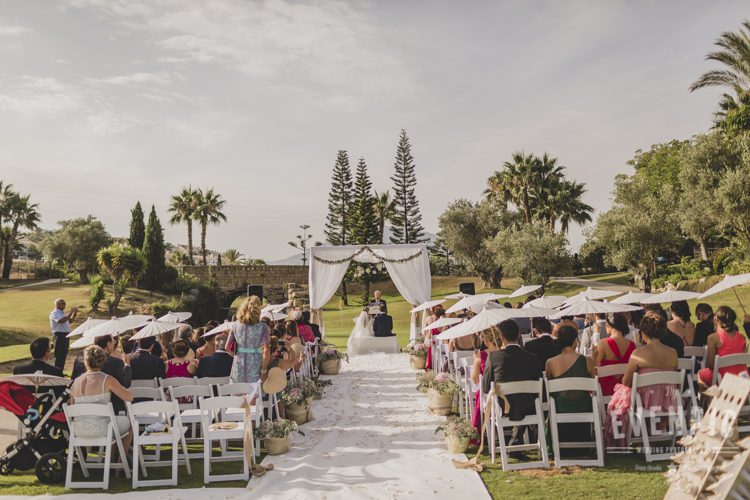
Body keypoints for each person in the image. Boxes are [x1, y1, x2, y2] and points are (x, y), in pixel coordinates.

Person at [604, 311, 679, 447]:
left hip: (645, 401)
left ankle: (623, 434)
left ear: (643, 331)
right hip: (668, 399)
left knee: (622, 392)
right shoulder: (673, 353)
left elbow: (626, 381)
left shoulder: (638, 354)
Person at [482, 319, 543, 446]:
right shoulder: (532, 358)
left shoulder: (493, 357)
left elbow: (485, 387)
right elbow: (539, 385)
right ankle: (516, 437)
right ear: (519, 335)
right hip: (529, 407)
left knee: (509, 401)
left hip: (504, 408)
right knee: (525, 400)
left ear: (502, 338)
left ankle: (515, 438)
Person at [69, 345, 133, 455]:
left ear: (86, 361)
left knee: (114, 422)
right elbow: (129, 397)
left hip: (78, 430)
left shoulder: (76, 382)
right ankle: (118, 464)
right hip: (103, 429)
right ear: (102, 361)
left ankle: (112, 460)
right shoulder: (107, 379)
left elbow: (72, 406)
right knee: (130, 425)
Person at [545, 325, 596, 442]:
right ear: (575, 341)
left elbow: (549, 392)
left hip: (560, 407)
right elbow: (594, 387)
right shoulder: (588, 361)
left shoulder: (550, 363)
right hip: (584, 407)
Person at [72, 334, 131, 413]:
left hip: (80, 412)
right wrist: (127, 365)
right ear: (108, 344)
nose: (115, 343)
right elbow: (126, 383)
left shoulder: (78, 361)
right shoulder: (115, 363)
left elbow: (73, 380)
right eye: (114, 341)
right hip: (110, 411)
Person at [698, 306, 748, 386]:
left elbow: (710, 365)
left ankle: (708, 397)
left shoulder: (713, 338)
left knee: (700, 374)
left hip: (722, 377)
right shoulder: (742, 337)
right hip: (742, 377)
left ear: (716, 319)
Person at [228, 296, 271, 385]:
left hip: (238, 365)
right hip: (255, 365)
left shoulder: (235, 325)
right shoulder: (263, 327)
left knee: (238, 395)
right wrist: (264, 370)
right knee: (254, 394)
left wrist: (236, 356)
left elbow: (227, 347)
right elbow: (266, 350)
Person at [470, 327, 501, 438]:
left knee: (479, 393)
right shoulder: (504, 353)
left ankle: (480, 430)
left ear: (486, 341)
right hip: (505, 394)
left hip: (489, 393)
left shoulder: (480, 355)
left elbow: (475, 379)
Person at [595, 313, 635, 397]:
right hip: (626, 389)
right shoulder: (632, 345)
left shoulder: (603, 343)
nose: (605, 326)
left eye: (606, 324)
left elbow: (595, 364)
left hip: (607, 389)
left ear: (611, 326)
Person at [49, 298, 78, 370]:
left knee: (64, 354)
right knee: (59, 355)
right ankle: (56, 371)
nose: (65, 304)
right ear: (58, 304)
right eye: (63, 303)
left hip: (66, 335)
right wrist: (71, 312)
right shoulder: (54, 313)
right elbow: (61, 321)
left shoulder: (62, 313)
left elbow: (70, 321)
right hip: (59, 335)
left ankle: (60, 371)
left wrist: (74, 313)